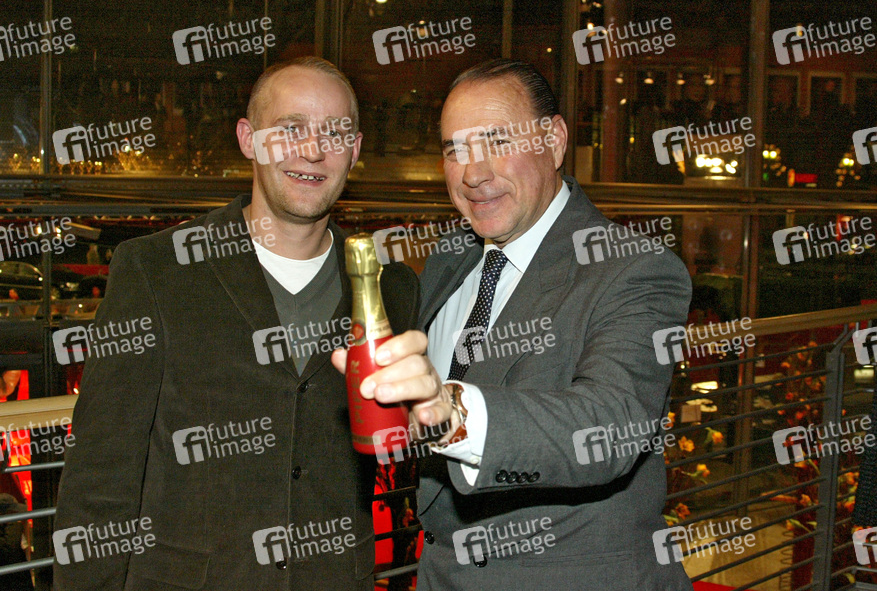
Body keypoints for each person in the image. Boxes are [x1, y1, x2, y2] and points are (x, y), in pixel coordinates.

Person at [54, 57, 419, 590]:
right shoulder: (157, 271)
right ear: (249, 139)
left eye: (335, 132)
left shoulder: (391, 291)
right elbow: (99, 477)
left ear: (355, 149)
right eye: (290, 128)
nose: (313, 150)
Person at [332, 59, 693, 588]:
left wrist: (451, 413)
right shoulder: (451, 258)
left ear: (555, 140)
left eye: (497, 141)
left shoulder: (634, 268)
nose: (472, 173)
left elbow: (610, 424)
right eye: (455, 149)